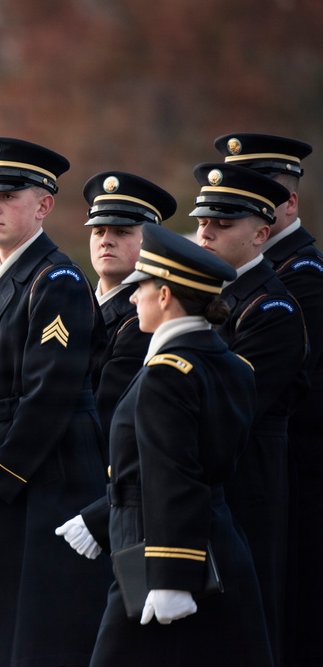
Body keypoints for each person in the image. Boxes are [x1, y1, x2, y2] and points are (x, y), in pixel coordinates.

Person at [60, 222, 272, 666]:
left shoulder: (167, 374)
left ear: (164, 295)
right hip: (208, 545)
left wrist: (172, 574)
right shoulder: (228, 364)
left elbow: (175, 473)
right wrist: (101, 518)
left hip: (156, 554)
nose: (133, 297)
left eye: (142, 287)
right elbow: (185, 467)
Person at [0, 137, 110, 666]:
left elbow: (49, 396)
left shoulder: (55, 280)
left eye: (9, 195)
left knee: (40, 634)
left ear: (43, 206)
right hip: (6, 475)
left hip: (47, 476)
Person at [189, 161, 307, 665]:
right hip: (198, 485)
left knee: (242, 631)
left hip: (244, 487)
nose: (206, 231)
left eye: (224, 223)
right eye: (203, 221)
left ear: (262, 233)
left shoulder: (270, 310)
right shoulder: (201, 300)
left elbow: (225, 408)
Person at [213, 132, 323, 666]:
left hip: (291, 463)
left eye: (261, 192)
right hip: (247, 458)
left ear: (286, 205)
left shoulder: (301, 275)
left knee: (286, 610)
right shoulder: (235, 278)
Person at [84, 171, 177, 438]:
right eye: (98, 230)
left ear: (152, 241)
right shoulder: (78, 304)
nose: (106, 240)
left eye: (122, 231)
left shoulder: (145, 318)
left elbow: (108, 414)